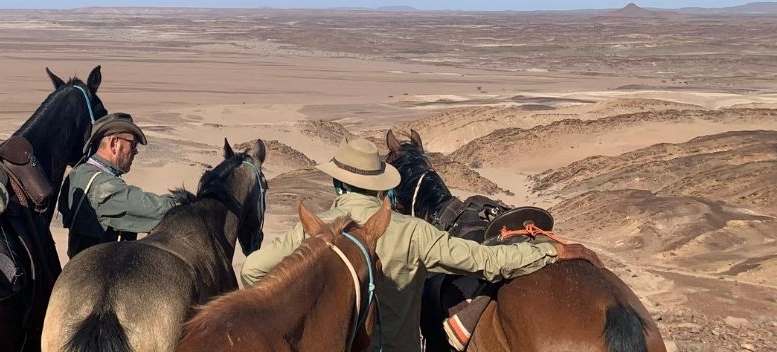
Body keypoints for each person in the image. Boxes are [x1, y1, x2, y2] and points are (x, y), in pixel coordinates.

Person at [240, 137, 603, 352]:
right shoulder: (413, 232)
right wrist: (550, 250)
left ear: (338, 185)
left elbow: (254, 269)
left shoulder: (310, 233)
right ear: (382, 187)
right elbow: (485, 261)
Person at [59, 112, 177, 259]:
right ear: (114, 143)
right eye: (133, 144)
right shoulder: (103, 186)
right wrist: (186, 202)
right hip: (103, 274)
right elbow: (156, 209)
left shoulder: (78, 173)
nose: (136, 151)